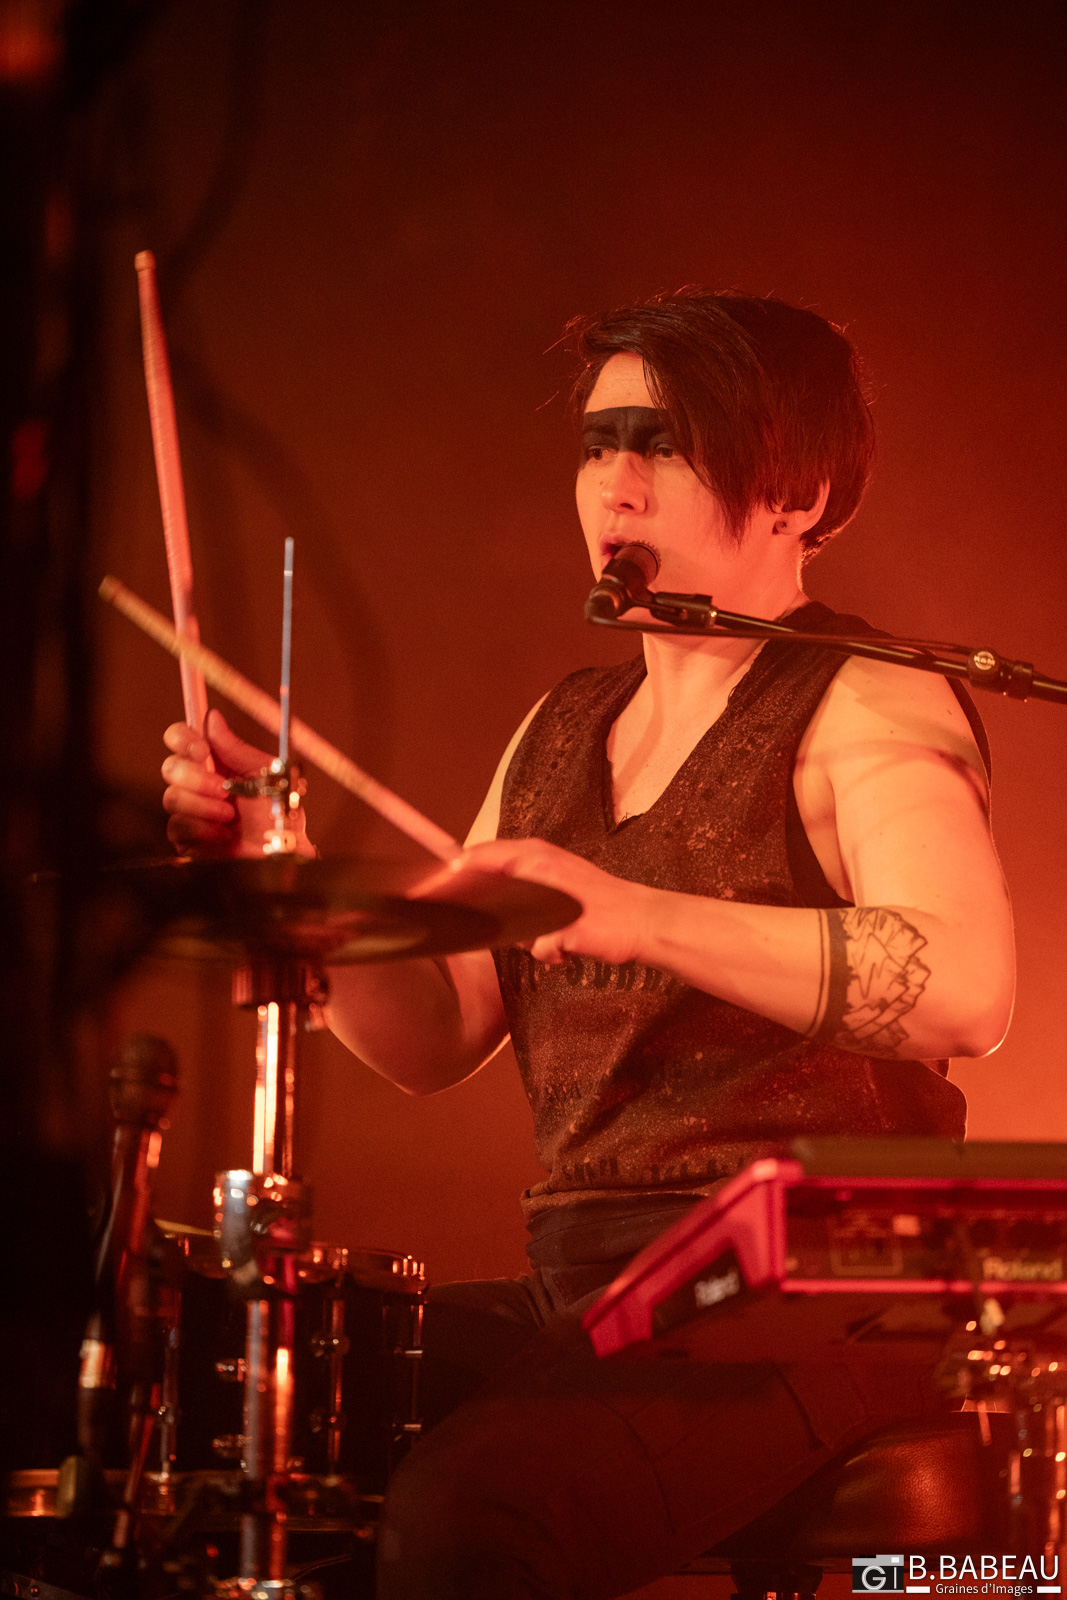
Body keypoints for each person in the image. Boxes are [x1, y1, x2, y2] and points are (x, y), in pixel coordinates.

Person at [162, 290, 1015, 1599]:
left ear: (797, 493)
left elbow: (965, 988)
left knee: (472, 1519)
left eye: (667, 444)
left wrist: (636, 912)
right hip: (595, 1280)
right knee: (233, 1412)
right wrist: (276, 873)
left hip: (827, 1283)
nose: (617, 482)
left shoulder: (871, 698)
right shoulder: (560, 729)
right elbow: (434, 1031)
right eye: (600, 442)